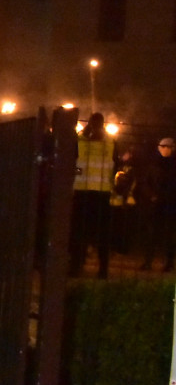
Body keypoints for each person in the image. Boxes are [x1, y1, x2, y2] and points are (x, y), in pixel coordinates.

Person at [68, 112, 115, 279]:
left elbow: (75, 164)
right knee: (99, 234)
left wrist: (77, 174)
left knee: (79, 232)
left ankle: (77, 266)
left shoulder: (82, 141)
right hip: (101, 191)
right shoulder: (109, 142)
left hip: (84, 192)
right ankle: (102, 269)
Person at [142, 137, 176, 272]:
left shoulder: (172, 166)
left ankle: (169, 263)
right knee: (152, 234)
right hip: (157, 204)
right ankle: (148, 262)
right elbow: (145, 182)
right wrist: (152, 196)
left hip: (172, 204)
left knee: (170, 235)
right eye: (163, 146)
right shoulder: (154, 165)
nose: (165, 149)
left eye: (168, 147)